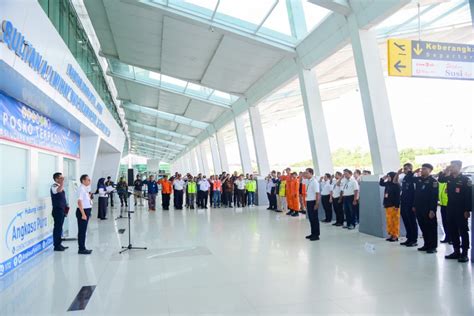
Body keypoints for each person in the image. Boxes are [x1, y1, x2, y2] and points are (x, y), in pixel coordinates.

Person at [438, 160, 472, 263]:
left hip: (461, 210)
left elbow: (468, 196)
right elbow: (440, 179)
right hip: (450, 208)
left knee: (463, 231)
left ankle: (464, 253)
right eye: (450, 166)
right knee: (453, 230)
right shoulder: (449, 179)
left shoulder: (465, 180)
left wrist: (467, 210)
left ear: (459, 167)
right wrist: (446, 170)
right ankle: (456, 251)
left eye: (453, 167)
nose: (451, 168)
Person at [413, 163, 439, 254]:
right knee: (423, 227)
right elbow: (416, 194)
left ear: (430, 170)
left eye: (424, 169)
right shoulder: (419, 179)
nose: (422, 170)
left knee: (431, 227)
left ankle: (433, 246)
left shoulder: (433, 181)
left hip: (428, 209)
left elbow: (434, 197)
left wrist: (432, 210)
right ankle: (426, 244)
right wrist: (414, 205)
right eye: (422, 169)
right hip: (419, 208)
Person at [395, 163, 419, 247]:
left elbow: (416, 193)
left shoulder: (414, 178)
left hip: (411, 203)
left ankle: (414, 240)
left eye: (406, 168)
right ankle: (409, 238)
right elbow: (395, 181)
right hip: (404, 202)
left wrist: (414, 205)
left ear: (410, 169)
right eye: (404, 168)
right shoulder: (404, 177)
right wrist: (398, 173)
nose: (404, 170)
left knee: (412, 222)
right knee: (406, 221)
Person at [379, 172, 401, 242]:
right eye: (387, 176)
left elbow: (398, 197)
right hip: (388, 205)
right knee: (389, 221)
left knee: (395, 221)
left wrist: (397, 206)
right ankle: (391, 234)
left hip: (394, 206)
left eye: (389, 176)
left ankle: (395, 236)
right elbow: (381, 183)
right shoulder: (388, 184)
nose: (388, 178)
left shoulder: (396, 185)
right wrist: (383, 178)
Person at [50, 172, 69, 251]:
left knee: (60, 228)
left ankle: (59, 244)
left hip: (62, 209)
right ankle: (56, 245)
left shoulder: (59, 186)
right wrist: (61, 183)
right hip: (57, 210)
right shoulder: (54, 186)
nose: (62, 179)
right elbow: (58, 191)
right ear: (56, 179)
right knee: (57, 228)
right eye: (60, 178)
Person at [76, 174, 92, 255]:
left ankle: (83, 247)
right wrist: (83, 214)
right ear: (83, 180)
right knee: (82, 231)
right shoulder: (81, 189)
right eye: (88, 180)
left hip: (87, 210)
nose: (89, 181)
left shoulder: (85, 188)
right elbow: (79, 202)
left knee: (84, 230)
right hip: (83, 211)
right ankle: (81, 249)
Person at [304, 168, 320, 241]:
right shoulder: (309, 181)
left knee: (314, 219)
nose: (305, 174)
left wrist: (317, 204)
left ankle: (316, 235)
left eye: (307, 173)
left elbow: (317, 193)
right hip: (309, 201)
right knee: (311, 219)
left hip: (313, 202)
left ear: (311, 173)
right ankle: (312, 233)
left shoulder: (314, 182)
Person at [438, 179, 450, 244]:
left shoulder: (450, 182)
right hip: (442, 205)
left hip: (449, 205)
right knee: (444, 222)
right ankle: (447, 237)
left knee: (450, 223)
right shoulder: (441, 183)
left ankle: (451, 238)